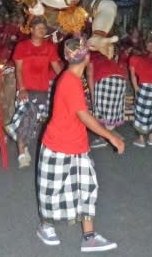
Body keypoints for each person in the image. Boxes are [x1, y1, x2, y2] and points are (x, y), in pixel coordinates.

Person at [36, 37, 124, 251]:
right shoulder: (70, 81)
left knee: (87, 188)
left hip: (77, 145)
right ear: (85, 58)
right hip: (57, 145)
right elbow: (83, 115)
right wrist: (111, 136)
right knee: (52, 190)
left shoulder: (72, 76)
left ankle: (89, 237)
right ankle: (45, 226)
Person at [6, 16, 62, 168]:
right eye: (39, 28)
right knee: (26, 119)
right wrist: (22, 88)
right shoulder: (22, 47)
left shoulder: (49, 47)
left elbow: (57, 68)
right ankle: (22, 153)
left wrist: (68, 79)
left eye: (44, 28)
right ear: (31, 30)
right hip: (26, 89)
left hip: (42, 89)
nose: (42, 31)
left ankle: (22, 143)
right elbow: (18, 69)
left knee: (33, 122)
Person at [86, 51, 127, 148]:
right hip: (121, 79)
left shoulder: (91, 56)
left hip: (106, 79)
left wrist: (93, 96)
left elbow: (89, 75)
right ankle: (110, 132)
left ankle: (103, 138)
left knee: (99, 109)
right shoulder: (106, 55)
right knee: (113, 107)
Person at [129, 45, 152, 147]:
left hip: (147, 85)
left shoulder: (133, 58)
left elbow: (133, 75)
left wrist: (136, 89)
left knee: (140, 111)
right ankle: (151, 138)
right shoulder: (147, 59)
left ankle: (141, 140)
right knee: (151, 111)